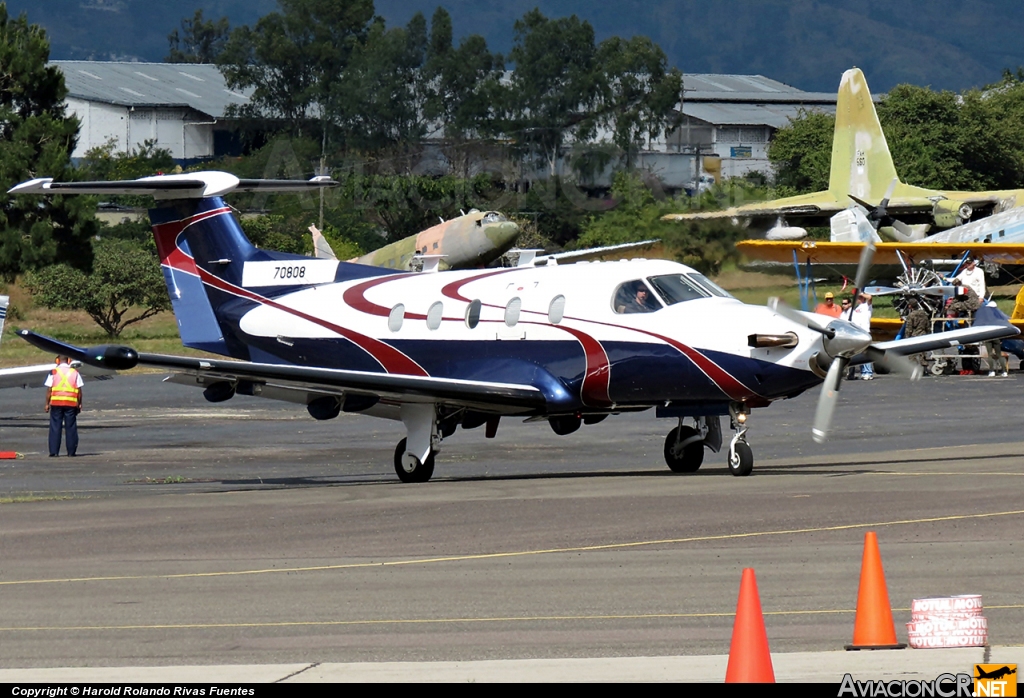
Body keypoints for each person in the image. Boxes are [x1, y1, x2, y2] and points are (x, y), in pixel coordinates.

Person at [44, 355, 84, 457]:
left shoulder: (53, 372)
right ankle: (71, 452)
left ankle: (54, 452)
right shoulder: (75, 372)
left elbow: (49, 389)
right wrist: (79, 403)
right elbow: (79, 390)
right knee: (70, 427)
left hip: (56, 403)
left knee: (55, 427)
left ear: (57, 360)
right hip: (71, 404)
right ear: (69, 360)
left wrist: (47, 404)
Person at [851, 293, 874, 379]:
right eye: (858, 297)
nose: (859, 298)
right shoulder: (856, 309)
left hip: (865, 332)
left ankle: (868, 372)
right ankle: (863, 372)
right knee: (860, 353)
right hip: (857, 333)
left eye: (860, 297)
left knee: (866, 353)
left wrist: (861, 293)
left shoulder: (867, 306)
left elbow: (870, 297)